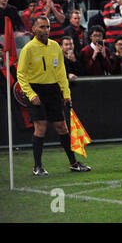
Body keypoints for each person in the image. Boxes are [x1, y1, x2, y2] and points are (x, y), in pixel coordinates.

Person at [16, 16, 91, 176]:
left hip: (53, 90)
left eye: (48, 27)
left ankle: (73, 163)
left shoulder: (55, 46)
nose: (46, 30)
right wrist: (30, 94)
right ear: (34, 29)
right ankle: (37, 166)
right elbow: (20, 74)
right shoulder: (28, 49)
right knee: (41, 126)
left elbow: (61, 73)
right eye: (42, 27)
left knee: (62, 127)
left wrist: (66, 93)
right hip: (36, 90)